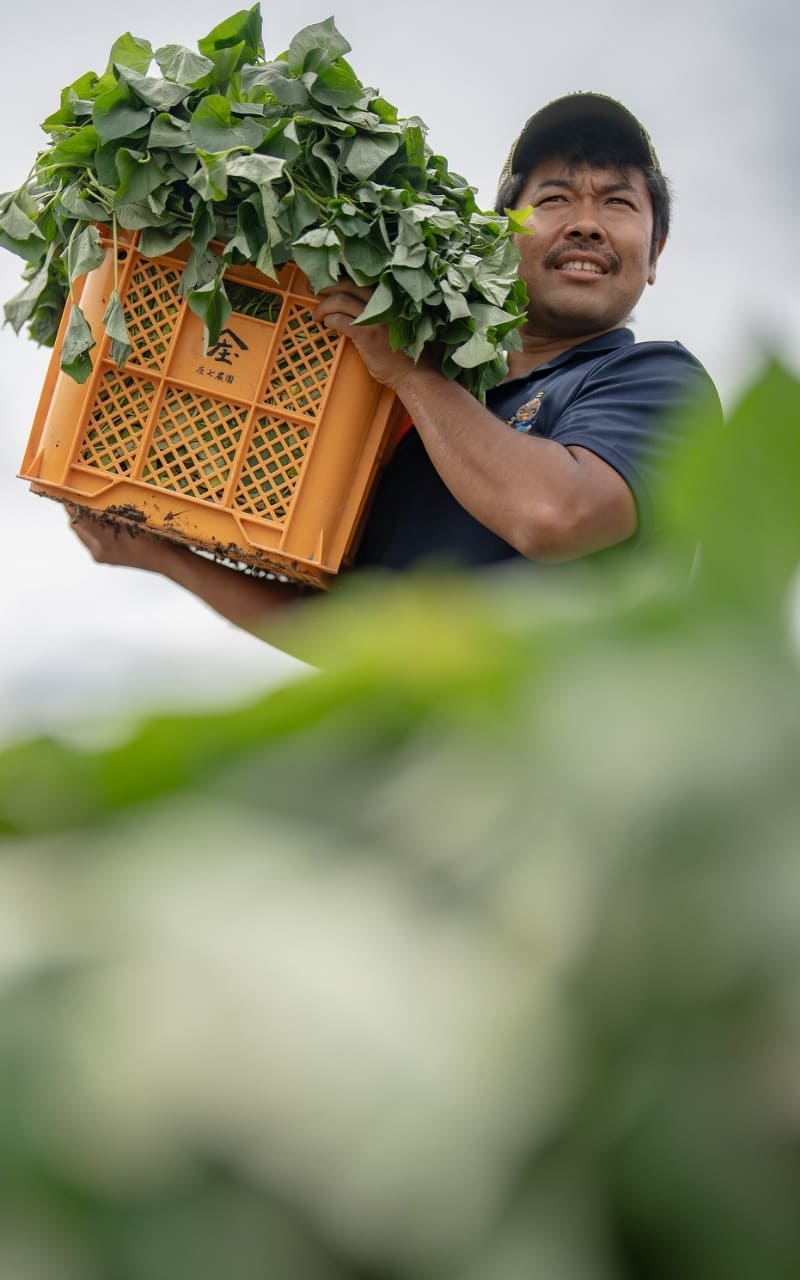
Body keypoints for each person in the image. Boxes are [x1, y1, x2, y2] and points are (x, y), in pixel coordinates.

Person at [70, 92, 721, 647]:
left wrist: (411, 375)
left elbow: (557, 515)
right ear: (502, 237)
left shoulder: (658, 380)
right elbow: (350, 634)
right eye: (554, 199)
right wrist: (164, 556)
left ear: (655, 253)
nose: (586, 225)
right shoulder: (430, 419)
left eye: (617, 204)